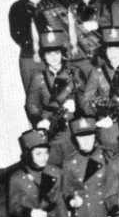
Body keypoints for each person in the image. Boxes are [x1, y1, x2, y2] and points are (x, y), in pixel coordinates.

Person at [62, 116, 113, 217]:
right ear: (75, 139)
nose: (86, 141)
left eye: (89, 136)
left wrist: (113, 215)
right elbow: (66, 191)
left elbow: (114, 189)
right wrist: (71, 200)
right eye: (81, 137)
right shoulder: (70, 162)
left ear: (95, 136)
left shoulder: (107, 157)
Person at [25, 30, 84, 165]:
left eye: (56, 53)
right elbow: (31, 104)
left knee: (75, 165)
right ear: (44, 56)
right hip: (50, 127)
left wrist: (76, 105)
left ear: (62, 54)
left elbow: (84, 98)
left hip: (72, 128)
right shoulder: (38, 77)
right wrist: (39, 121)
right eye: (49, 54)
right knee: (53, 166)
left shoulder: (73, 73)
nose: (53, 57)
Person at [82, 26, 119, 153]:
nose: (113, 53)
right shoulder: (97, 72)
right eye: (109, 49)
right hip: (108, 122)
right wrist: (103, 112)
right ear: (105, 51)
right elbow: (86, 101)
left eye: (117, 48)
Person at [8, 0, 49, 91]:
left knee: (61, 97)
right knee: (34, 102)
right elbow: (17, 35)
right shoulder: (17, 8)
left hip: (55, 57)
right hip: (30, 58)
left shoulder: (53, 3)